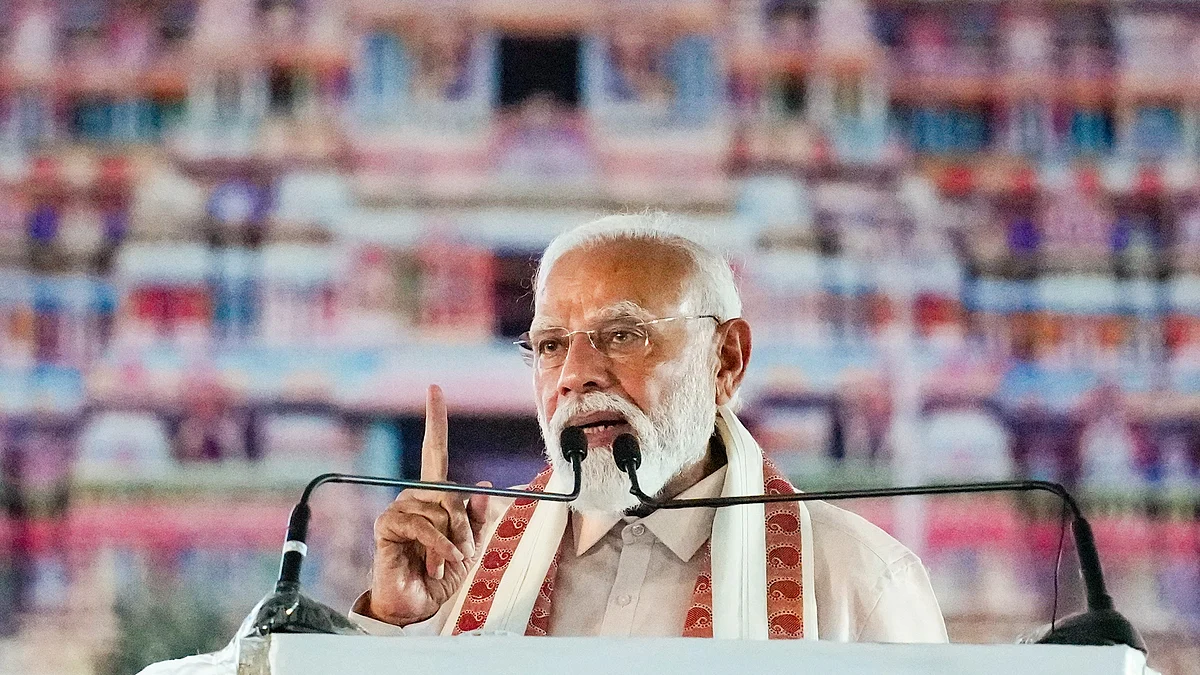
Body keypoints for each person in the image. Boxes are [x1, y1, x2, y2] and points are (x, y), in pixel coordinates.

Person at [352, 213, 947, 641]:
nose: (576, 375)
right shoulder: (463, 564)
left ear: (727, 360)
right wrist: (395, 624)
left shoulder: (856, 576)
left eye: (623, 335)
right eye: (552, 345)